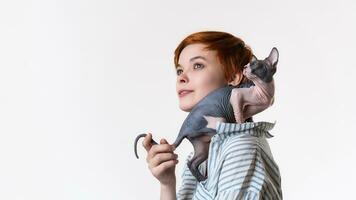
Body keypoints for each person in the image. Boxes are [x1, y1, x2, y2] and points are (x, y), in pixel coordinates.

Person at [142, 31, 282, 200]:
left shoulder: (241, 148)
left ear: (234, 77)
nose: (181, 78)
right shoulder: (204, 157)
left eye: (198, 65)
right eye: (179, 70)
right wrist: (167, 184)